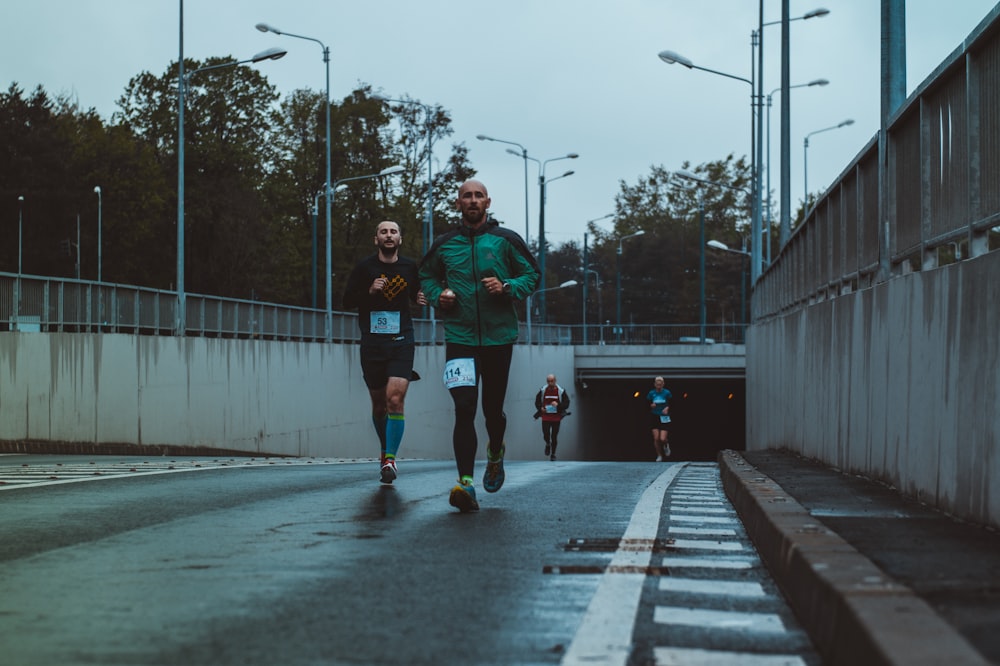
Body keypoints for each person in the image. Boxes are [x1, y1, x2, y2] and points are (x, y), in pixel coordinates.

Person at [418, 179, 540, 512]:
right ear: (458, 203)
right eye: (466, 196)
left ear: (488, 202)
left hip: (499, 338)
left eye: (478, 196)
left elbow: (533, 274)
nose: (472, 201)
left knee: (492, 411)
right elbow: (425, 277)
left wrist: (507, 286)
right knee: (464, 408)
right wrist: (437, 297)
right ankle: (465, 484)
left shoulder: (506, 240)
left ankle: (496, 451)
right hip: (460, 338)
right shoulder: (445, 244)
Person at [343, 220, 427, 484]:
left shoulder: (410, 267)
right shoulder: (365, 268)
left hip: (402, 340)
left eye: (393, 232)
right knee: (379, 406)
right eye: (383, 232)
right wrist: (369, 291)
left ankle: (390, 458)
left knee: (394, 400)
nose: (388, 235)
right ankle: (384, 450)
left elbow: (417, 292)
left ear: (400, 239)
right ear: (376, 239)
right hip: (373, 344)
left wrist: (421, 298)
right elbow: (346, 302)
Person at [534, 374, 570, 461]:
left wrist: (558, 405)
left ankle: (553, 454)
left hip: (556, 417)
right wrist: (541, 408)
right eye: (548, 381)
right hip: (545, 416)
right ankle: (547, 444)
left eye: (552, 381)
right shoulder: (543, 390)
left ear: (555, 381)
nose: (550, 383)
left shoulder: (561, 391)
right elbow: (537, 401)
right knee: (546, 434)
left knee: (554, 436)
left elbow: (567, 403)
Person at [646, 376, 672, 461]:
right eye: (657, 385)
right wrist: (650, 405)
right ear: (655, 385)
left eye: (660, 385)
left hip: (664, 416)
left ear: (663, 384)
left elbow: (673, 403)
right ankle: (659, 455)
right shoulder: (651, 393)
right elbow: (646, 403)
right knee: (656, 438)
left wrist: (668, 407)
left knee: (662, 438)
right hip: (654, 416)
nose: (659, 386)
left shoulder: (667, 393)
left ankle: (666, 445)